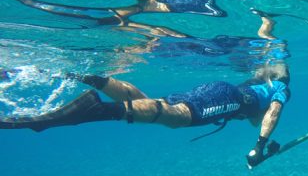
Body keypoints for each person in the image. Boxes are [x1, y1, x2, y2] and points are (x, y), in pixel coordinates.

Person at [0, 64, 291, 167]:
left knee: (150, 103)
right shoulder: (280, 88)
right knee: (175, 117)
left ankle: (79, 76)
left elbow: (255, 115)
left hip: (219, 90)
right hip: (228, 98)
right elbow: (272, 112)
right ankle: (92, 110)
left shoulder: (258, 83)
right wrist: (261, 146)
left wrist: (259, 131)